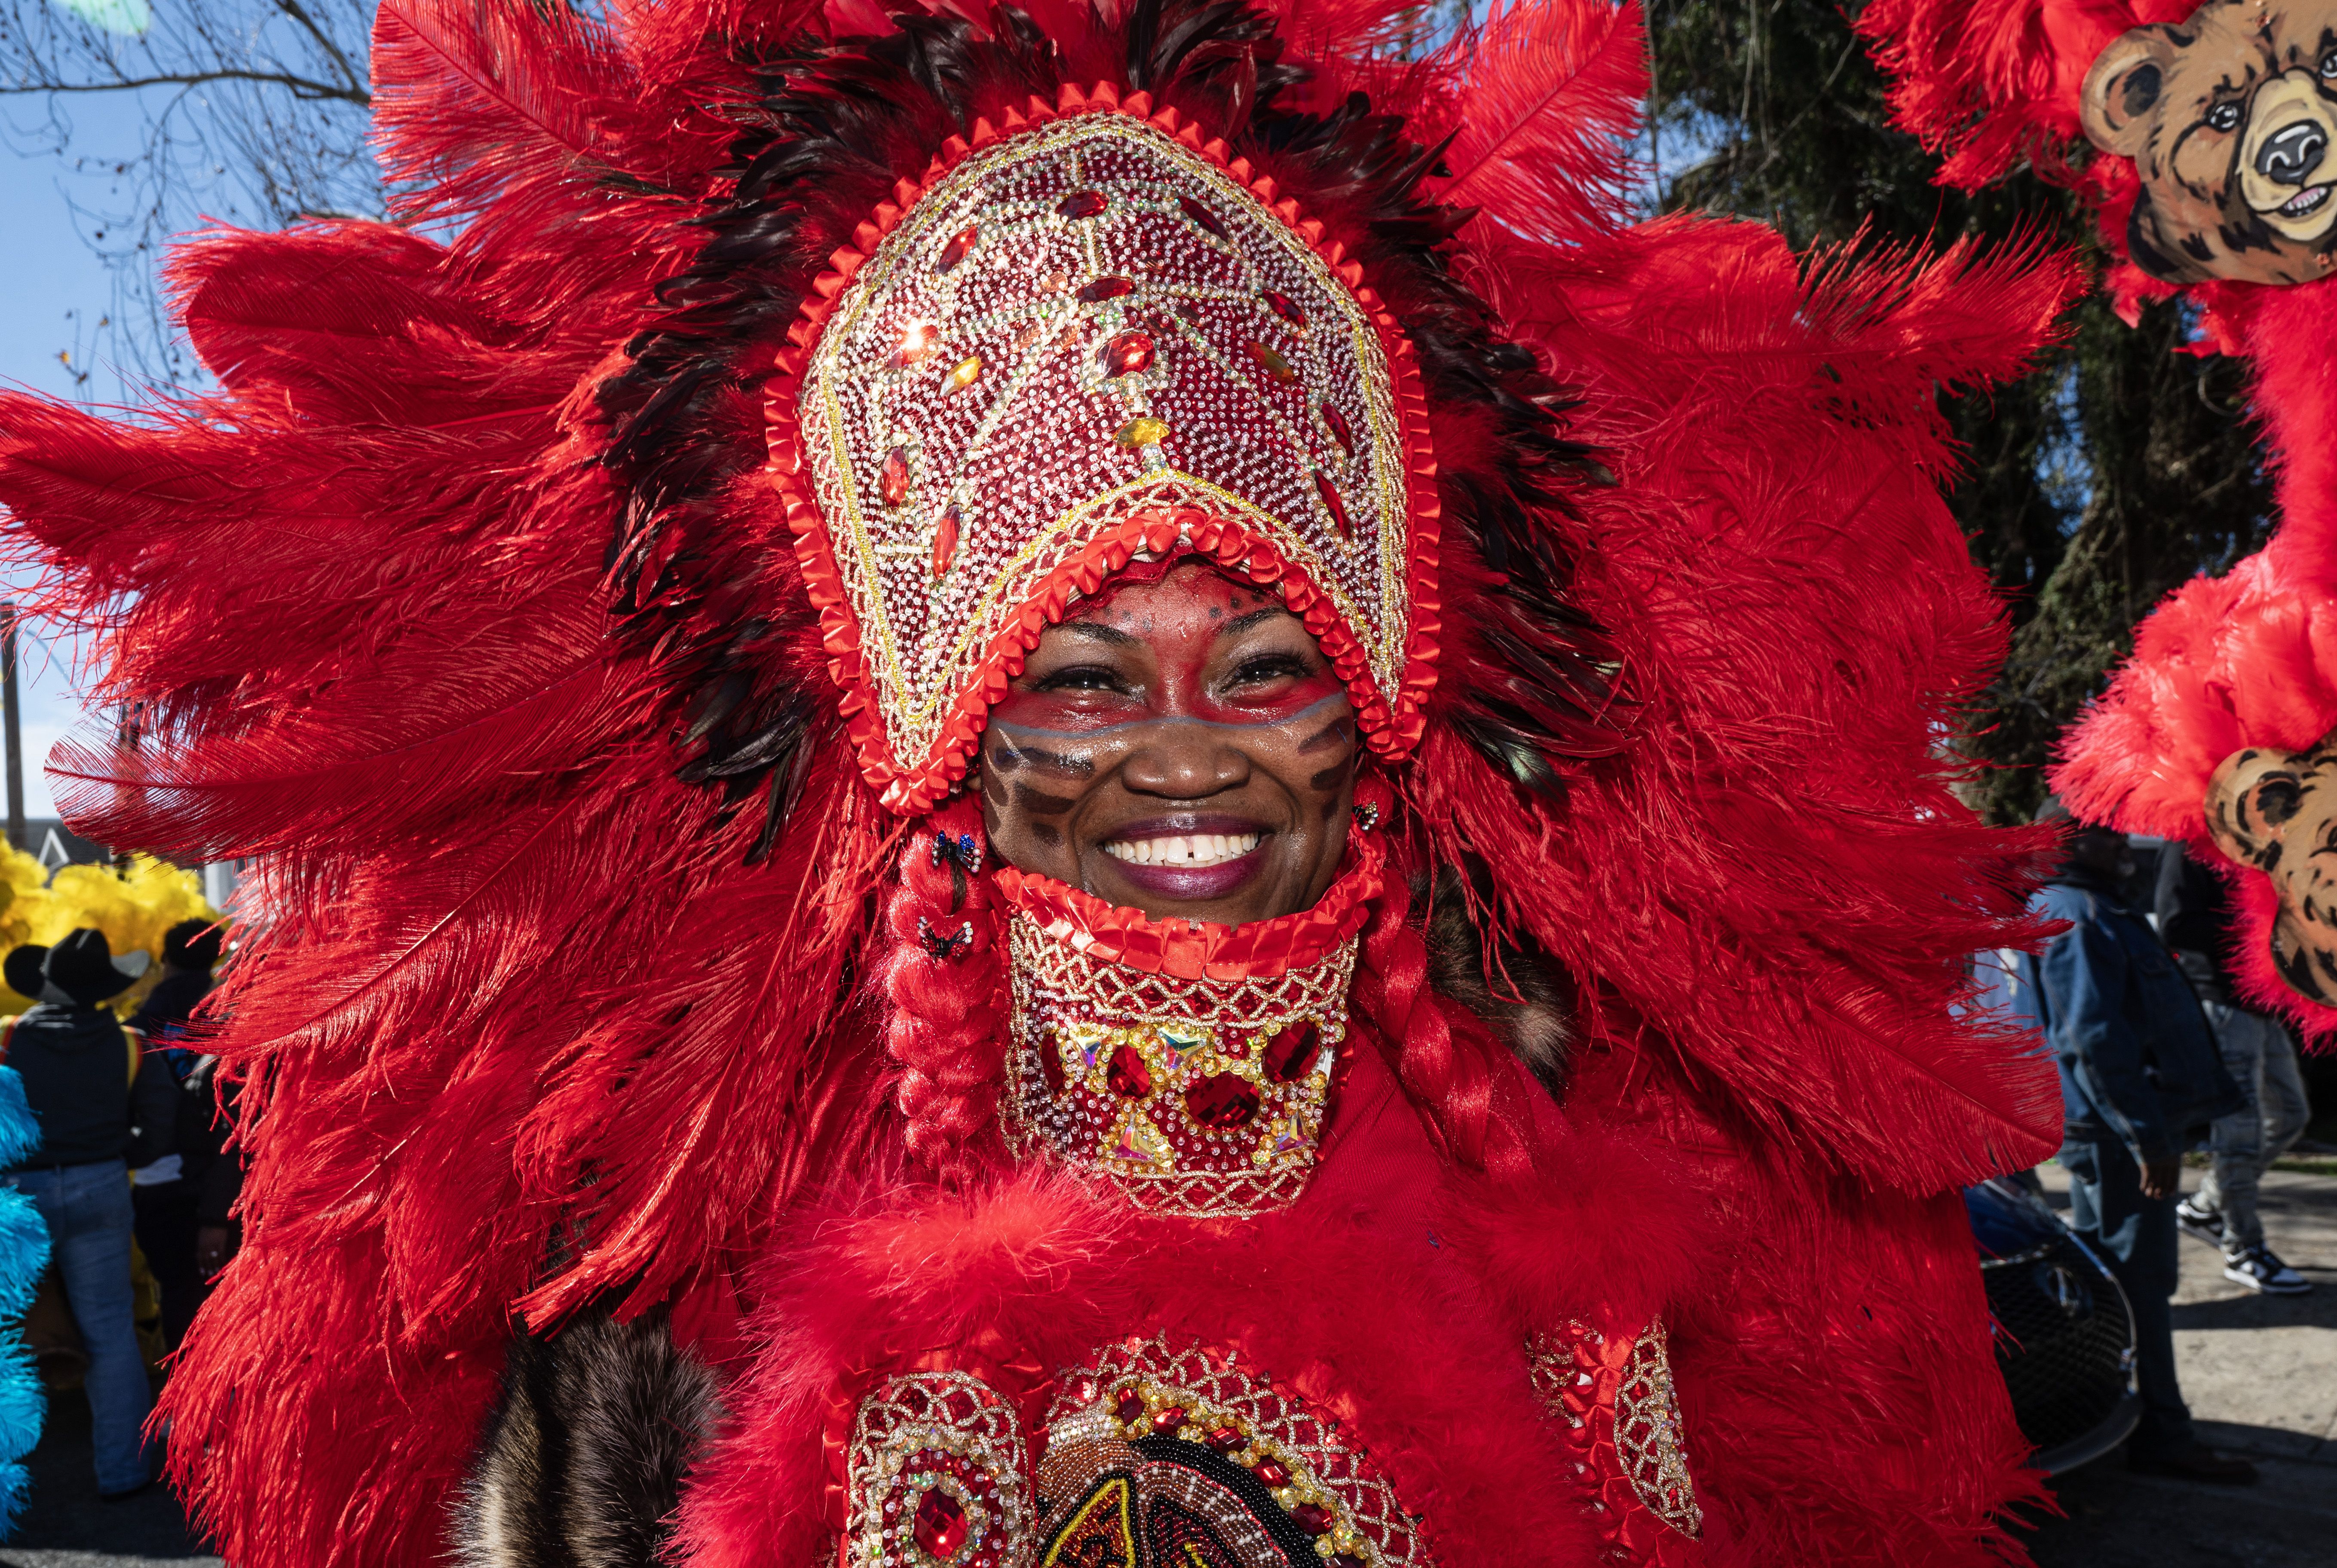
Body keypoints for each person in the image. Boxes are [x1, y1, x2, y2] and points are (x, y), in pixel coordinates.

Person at [0, 3, 2082, 1564]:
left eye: (1261, 665)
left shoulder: (1566, 1183)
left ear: (1371, 710)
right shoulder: (669, 1303)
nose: (1183, 747)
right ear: (943, 751)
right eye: (1078, 682)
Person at [2011, 804, 2252, 1482]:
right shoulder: (2081, 916)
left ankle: (2123, 1422)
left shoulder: (2082, 907)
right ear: (2066, 839)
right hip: (2119, 1139)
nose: (2120, 842)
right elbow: (2091, 1041)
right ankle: (2161, 1438)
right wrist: (2148, 1140)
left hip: (2113, 1130)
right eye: (2104, 831)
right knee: (2139, 1286)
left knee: (2119, 1281)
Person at [0, 929, 174, 1498]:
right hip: (100, 1185)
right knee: (110, 1332)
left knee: (8, 1332)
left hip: (21, 1194)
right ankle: (123, 1471)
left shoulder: (9, 1038)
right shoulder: (129, 1044)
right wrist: (122, 1154)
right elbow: (160, 1124)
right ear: (106, 986)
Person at [2154, 842, 2315, 1295]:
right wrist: (2261, 923)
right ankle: (2242, 1246)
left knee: (2288, 1116)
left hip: (2261, 1004)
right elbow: (2174, 924)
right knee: (2238, 1135)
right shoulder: (2188, 844)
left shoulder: (2259, 841)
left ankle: (2205, 1206)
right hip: (2221, 1006)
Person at [128, 918, 227, 1349]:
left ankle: (181, 1402)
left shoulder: (136, 1026)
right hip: (226, 1180)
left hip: (160, 1179)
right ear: (219, 955)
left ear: (165, 959)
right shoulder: (235, 1014)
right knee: (229, 1299)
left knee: (177, 1294)